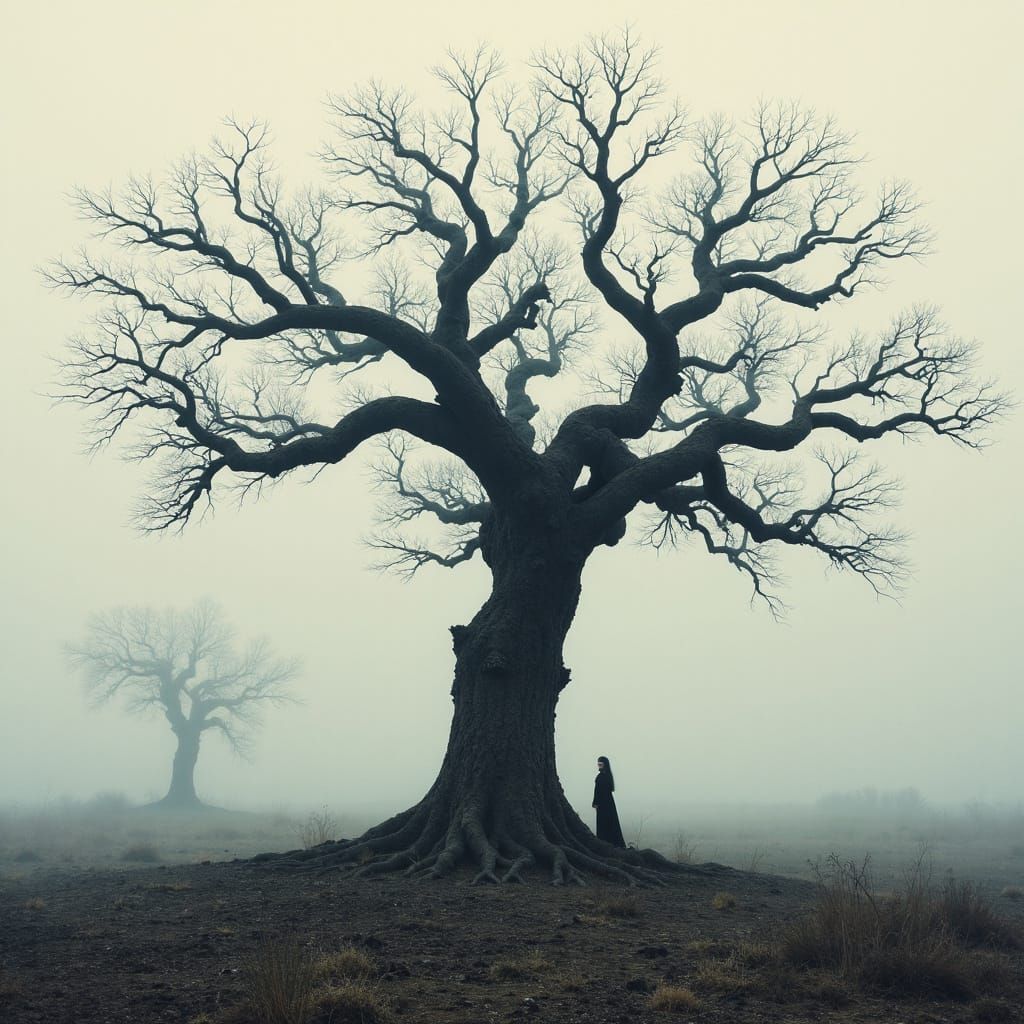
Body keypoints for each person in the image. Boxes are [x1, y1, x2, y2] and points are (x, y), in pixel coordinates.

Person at [592, 755, 626, 847]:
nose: (599, 766)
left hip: (604, 803)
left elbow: (598, 791)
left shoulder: (603, 776)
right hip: (607, 802)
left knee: (606, 822)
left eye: (601, 765)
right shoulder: (606, 776)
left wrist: (595, 803)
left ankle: (607, 842)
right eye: (598, 764)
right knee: (607, 822)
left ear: (605, 765)